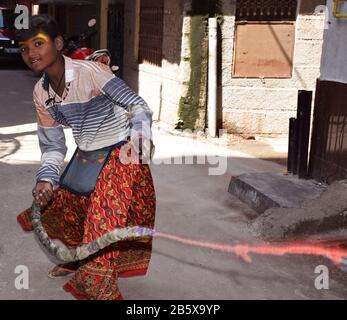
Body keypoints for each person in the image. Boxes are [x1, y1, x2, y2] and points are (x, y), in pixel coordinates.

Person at [16, 14, 156, 300]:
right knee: (69, 207)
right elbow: (53, 146)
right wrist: (45, 178)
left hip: (121, 153)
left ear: (57, 43)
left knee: (104, 223)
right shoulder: (41, 94)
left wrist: (140, 137)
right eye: (24, 48)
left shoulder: (91, 73)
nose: (31, 53)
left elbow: (137, 105)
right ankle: (77, 258)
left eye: (38, 44)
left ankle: (96, 283)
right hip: (87, 153)